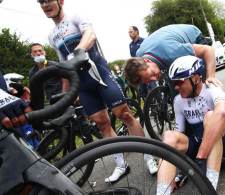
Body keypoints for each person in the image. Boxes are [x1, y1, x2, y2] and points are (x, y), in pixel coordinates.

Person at [38, 0, 158, 182]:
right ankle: (121, 165)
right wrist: (65, 94)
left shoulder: (76, 17)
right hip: (83, 84)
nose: (45, 4)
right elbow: (64, 65)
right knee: (103, 124)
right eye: (41, 2)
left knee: (124, 114)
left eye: (49, 0)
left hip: (99, 74)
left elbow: (90, 35)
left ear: (60, 1)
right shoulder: (51, 35)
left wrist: (78, 50)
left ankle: (149, 156)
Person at [156, 56, 225, 194]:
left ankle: (208, 189)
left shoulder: (212, 89)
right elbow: (180, 136)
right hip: (200, 152)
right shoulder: (178, 101)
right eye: (174, 84)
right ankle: (163, 192)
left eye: (179, 82)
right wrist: (179, 167)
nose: (176, 87)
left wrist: (200, 158)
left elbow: (222, 113)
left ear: (196, 78)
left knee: (211, 116)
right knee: (169, 136)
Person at [124, 24, 221, 88]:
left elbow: (208, 50)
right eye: (148, 81)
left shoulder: (172, 53)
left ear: (147, 61)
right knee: (177, 87)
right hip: (167, 42)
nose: (154, 79)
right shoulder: (139, 54)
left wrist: (211, 77)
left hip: (194, 36)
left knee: (201, 87)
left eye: (152, 75)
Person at [128, 25, 156, 98]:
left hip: (147, 68)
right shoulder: (130, 45)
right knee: (142, 92)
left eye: (131, 32)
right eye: (128, 33)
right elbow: (133, 57)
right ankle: (150, 108)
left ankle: (161, 106)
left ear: (136, 32)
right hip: (139, 71)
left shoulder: (144, 41)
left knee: (153, 89)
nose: (129, 34)